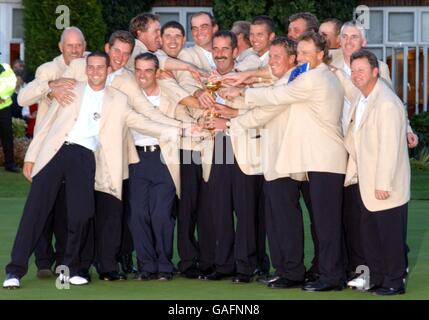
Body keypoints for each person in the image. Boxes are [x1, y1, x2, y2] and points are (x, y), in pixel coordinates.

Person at [2, 51, 195, 289]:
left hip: (84, 158)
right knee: (35, 213)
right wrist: (31, 156)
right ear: (86, 69)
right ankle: (14, 271)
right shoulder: (71, 87)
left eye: (99, 67)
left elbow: (145, 120)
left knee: (81, 215)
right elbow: (45, 122)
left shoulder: (118, 99)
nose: (94, 71)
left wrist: (183, 130)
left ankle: (72, 269)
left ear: (107, 70)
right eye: (90, 67)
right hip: (54, 154)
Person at [220, 32, 348, 291]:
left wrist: (241, 93)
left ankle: (331, 277)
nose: (300, 58)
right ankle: (326, 274)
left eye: (305, 53)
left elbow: (278, 96)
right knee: (323, 223)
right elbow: (276, 79)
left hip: (324, 159)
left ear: (321, 54)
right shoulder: (312, 74)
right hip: (317, 160)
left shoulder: (313, 78)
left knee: (326, 224)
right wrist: (248, 79)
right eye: (299, 53)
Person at [17, 26, 88, 279]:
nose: (75, 49)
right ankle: (43, 261)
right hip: (47, 149)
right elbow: (23, 98)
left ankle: (64, 262)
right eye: (70, 45)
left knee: (69, 208)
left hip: (78, 150)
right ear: (61, 47)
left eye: (79, 44)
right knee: (42, 208)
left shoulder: (91, 64)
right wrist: (50, 87)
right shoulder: (48, 69)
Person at [197, 30, 262, 284]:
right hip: (219, 147)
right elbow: (199, 113)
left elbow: (258, 114)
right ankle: (223, 264)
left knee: (245, 210)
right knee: (220, 209)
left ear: (235, 52)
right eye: (216, 49)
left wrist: (229, 118)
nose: (220, 53)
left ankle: (246, 267)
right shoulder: (207, 81)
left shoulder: (247, 81)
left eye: (225, 49)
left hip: (243, 146)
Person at [343, 49, 410, 295]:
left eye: (361, 70)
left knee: (390, 238)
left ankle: (395, 281)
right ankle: (380, 278)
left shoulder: (387, 103)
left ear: (375, 72)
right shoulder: (362, 98)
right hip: (365, 181)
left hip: (386, 185)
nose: (356, 75)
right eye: (353, 70)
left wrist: (383, 183)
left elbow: (390, 147)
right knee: (371, 236)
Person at [0, 63, 18, 173]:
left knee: (7, 136)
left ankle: (10, 164)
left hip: (4, 107)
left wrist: (1, 96)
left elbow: (11, 83)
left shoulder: (6, 67)